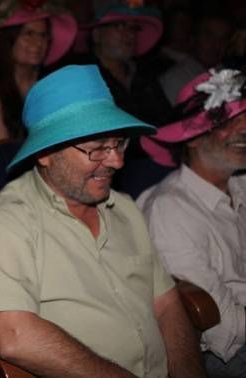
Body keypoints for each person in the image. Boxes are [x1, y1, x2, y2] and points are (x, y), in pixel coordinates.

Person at [0, 64, 206, 377]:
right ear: (45, 154)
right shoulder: (9, 221)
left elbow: (166, 304)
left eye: (119, 143)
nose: (117, 161)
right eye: (97, 149)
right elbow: (14, 336)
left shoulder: (124, 208)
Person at [137, 68, 246, 377]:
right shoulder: (171, 211)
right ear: (195, 138)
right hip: (219, 356)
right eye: (229, 122)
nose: (245, 129)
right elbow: (224, 330)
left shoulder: (240, 185)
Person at [0, 4, 77, 146]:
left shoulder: (48, 84)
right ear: (8, 40)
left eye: (43, 35)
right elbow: (1, 154)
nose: (38, 43)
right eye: (29, 34)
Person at [75, 3, 173, 130]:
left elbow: (167, 120)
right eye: (119, 26)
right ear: (96, 34)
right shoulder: (83, 78)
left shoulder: (144, 75)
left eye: (134, 28)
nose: (130, 34)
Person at [159, 12, 233, 106]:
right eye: (209, 37)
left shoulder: (229, 76)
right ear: (194, 38)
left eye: (223, 39)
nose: (216, 46)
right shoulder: (173, 80)